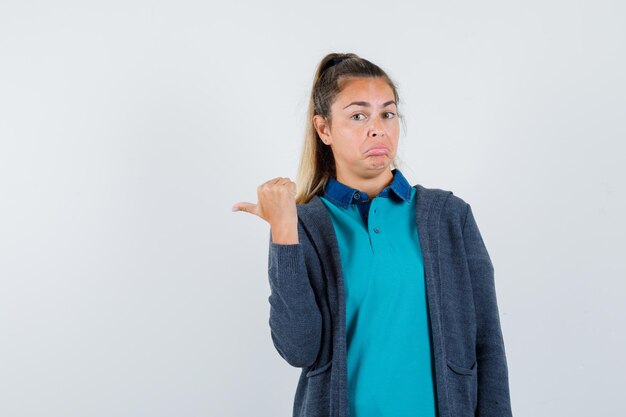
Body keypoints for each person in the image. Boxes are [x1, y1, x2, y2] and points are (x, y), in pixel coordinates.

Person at [232, 52, 513, 417]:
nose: (377, 128)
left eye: (387, 113)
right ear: (324, 129)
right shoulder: (304, 225)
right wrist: (284, 229)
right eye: (358, 115)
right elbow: (299, 349)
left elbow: (487, 344)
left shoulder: (448, 216)